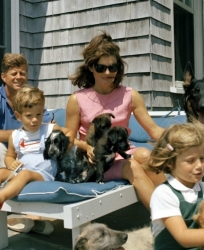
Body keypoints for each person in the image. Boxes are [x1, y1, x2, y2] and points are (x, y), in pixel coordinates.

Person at [65, 30, 166, 210]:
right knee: (132, 166)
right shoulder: (77, 99)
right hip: (97, 162)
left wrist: (184, 140)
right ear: (91, 67)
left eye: (113, 67)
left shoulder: (130, 95)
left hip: (123, 153)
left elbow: (155, 131)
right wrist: (87, 147)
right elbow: (69, 139)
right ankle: (167, 221)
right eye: (101, 67)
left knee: (144, 154)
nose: (108, 72)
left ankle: (177, 208)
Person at [0, 86, 73, 234]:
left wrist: (63, 149)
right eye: (29, 115)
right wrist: (10, 163)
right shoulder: (15, 136)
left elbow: (68, 133)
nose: (35, 119)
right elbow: (9, 156)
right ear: (18, 116)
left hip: (43, 173)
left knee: (25, 174)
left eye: (39, 114)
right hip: (22, 170)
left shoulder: (48, 129)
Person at [147, 122, 204, 249]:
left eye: (202, 158)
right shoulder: (163, 194)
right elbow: (183, 237)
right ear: (170, 162)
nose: (199, 165)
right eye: (191, 160)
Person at [0, 53, 53, 168]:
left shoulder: (30, 98)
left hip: (22, 152)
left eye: (22, 73)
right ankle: (13, 179)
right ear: (3, 77)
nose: (18, 77)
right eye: (14, 73)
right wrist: (22, 134)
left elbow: (48, 126)